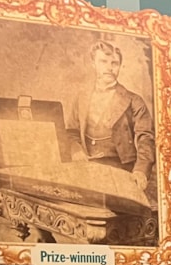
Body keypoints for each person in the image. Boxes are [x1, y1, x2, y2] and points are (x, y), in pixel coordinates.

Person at [65, 40, 155, 200]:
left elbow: (146, 139)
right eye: (103, 61)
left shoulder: (134, 101)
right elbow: (71, 132)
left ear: (120, 66)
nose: (109, 67)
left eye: (115, 63)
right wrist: (76, 150)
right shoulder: (81, 97)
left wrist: (141, 170)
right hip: (86, 169)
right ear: (93, 63)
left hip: (120, 170)